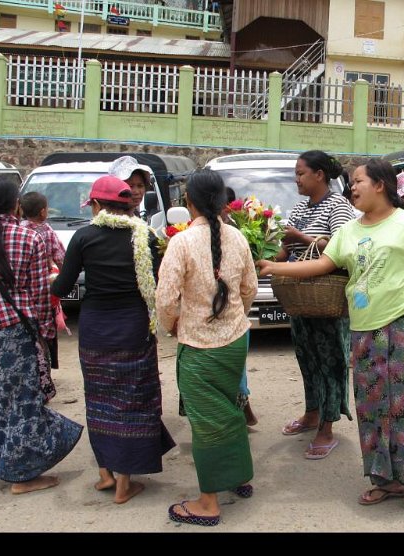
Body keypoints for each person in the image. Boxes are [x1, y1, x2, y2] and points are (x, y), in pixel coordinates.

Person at [258, 158, 404, 511]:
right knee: (370, 402)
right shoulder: (348, 230)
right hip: (363, 325)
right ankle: (385, 478)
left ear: (380, 184)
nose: (351, 187)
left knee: (403, 399)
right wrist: (277, 267)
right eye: (351, 182)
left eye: (358, 181)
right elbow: (323, 264)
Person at [52, 175, 175, 504]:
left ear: (95, 205)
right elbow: (162, 278)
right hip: (134, 328)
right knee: (134, 399)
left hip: (95, 332)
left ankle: (107, 474)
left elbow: (62, 288)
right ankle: (123, 479)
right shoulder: (146, 236)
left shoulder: (83, 236)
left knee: (100, 399)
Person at [156, 170, 258, 525]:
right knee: (230, 410)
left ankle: (208, 501)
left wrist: (171, 327)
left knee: (207, 423)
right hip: (233, 344)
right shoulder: (238, 238)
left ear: (189, 202)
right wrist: (233, 320)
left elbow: (166, 298)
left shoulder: (181, 243)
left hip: (198, 346)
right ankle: (239, 477)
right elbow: (249, 289)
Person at [0, 177, 82, 494]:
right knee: (23, 405)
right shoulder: (29, 237)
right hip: (15, 333)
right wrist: (44, 336)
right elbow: (38, 295)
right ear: (15, 204)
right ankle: (22, 477)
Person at [277, 150, 356, 459]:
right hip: (301, 294)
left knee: (331, 361)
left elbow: (342, 246)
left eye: (301, 173)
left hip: (329, 295)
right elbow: (285, 251)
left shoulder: (339, 205)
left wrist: (302, 237)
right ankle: (312, 412)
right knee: (307, 356)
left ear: (319, 175)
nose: (296, 179)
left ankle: (327, 426)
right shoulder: (298, 207)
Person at [20, 191, 67, 402]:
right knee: (43, 340)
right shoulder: (46, 232)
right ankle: (44, 381)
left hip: (19, 297)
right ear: (43, 212)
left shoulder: (18, 230)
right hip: (43, 294)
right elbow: (61, 257)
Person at [222, 188, 257, 426]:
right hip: (234, 319)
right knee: (235, 369)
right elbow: (249, 288)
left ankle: (239, 409)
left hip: (205, 326)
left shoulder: (237, 234)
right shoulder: (238, 235)